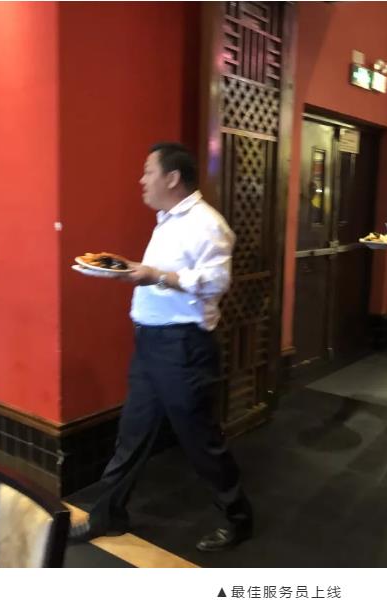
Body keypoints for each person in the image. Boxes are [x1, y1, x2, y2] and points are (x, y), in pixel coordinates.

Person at [70, 142, 253, 552]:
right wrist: (132, 273)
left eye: (148, 172)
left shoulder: (207, 223)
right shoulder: (167, 220)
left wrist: (154, 275)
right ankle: (107, 515)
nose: (142, 180)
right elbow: (158, 275)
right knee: (132, 433)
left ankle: (238, 518)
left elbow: (216, 282)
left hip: (183, 347)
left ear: (172, 178)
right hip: (151, 343)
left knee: (200, 440)